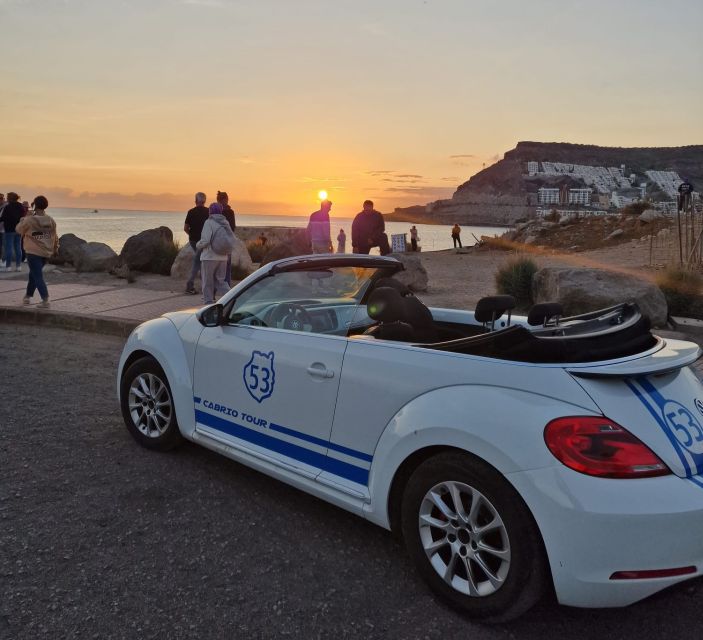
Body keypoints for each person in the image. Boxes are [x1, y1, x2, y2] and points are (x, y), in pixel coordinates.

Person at [16, 195, 58, 308]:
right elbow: (55, 236)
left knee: (37, 276)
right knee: (33, 275)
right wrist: (55, 248)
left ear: (34, 205)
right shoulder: (50, 220)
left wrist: (24, 218)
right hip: (46, 252)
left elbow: (19, 230)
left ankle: (45, 300)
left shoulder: (29, 220)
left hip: (33, 252)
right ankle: (27, 297)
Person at [197, 202, 233, 304]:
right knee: (221, 281)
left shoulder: (208, 222)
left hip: (209, 257)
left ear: (210, 211)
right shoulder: (225, 222)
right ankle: (232, 298)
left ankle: (208, 302)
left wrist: (198, 245)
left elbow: (205, 240)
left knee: (207, 281)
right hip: (223, 257)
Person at [183, 192, 209, 295]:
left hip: (193, 241)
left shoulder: (191, 212)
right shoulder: (208, 212)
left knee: (200, 261)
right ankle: (190, 285)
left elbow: (185, 228)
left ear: (195, 201)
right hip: (203, 241)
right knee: (198, 262)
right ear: (204, 201)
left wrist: (191, 235)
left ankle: (202, 285)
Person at [0, 192, 24, 271]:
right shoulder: (20, 206)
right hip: (18, 229)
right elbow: (23, 217)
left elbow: (3, 218)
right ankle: (18, 266)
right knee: (18, 247)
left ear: (10, 198)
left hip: (9, 230)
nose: (6, 199)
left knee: (9, 248)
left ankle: (8, 266)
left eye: (7, 197)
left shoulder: (8, 207)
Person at [217, 191, 236, 285]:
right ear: (224, 200)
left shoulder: (213, 212)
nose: (228, 201)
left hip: (216, 241)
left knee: (216, 264)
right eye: (227, 199)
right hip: (227, 241)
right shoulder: (230, 212)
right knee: (227, 265)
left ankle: (216, 286)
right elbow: (232, 227)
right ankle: (227, 286)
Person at [0, 193, 5, 262]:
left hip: (2, 229)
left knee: (1, 244)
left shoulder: (5, 207)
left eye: (2, 198)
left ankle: (1, 259)